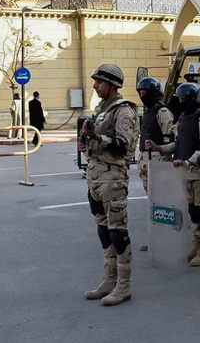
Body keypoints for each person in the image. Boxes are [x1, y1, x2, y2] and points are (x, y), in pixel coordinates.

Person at [78, 63, 138, 306]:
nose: (95, 86)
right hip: (95, 178)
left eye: (99, 82)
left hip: (113, 178)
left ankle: (123, 286)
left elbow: (123, 146)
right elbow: (98, 141)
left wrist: (96, 138)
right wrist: (87, 143)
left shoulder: (124, 111)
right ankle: (109, 280)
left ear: (112, 85)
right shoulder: (102, 109)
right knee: (103, 230)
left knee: (117, 231)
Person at [146, 82, 200, 267]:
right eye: (179, 99)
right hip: (186, 175)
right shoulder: (184, 118)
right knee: (193, 213)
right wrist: (159, 148)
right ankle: (196, 246)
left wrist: (188, 162)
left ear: (192, 99)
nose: (180, 102)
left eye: (183, 99)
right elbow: (178, 145)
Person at [136, 77, 174, 194]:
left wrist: (162, 164)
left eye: (144, 93)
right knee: (151, 194)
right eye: (140, 93)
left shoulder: (162, 112)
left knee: (160, 194)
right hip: (145, 158)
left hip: (157, 157)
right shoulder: (148, 111)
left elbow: (169, 140)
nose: (142, 96)